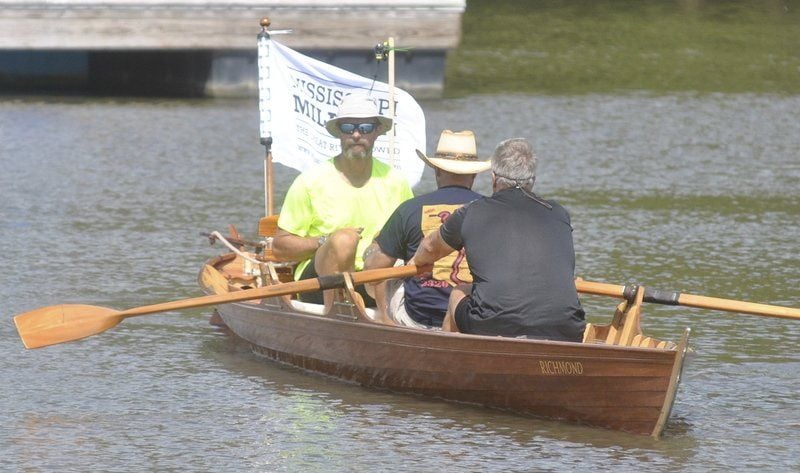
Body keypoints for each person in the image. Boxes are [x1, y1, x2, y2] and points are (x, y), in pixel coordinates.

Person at [410, 137, 586, 341]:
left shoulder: (471, 213)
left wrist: (418, 263)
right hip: (567, 327)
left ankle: (446, 361)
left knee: (458, 292)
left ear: (493, 178)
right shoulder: (558, 213)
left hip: (492, 325)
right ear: (533, 180)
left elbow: (431, 247)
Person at [272, 93, 413, 308]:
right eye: (348, 127)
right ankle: (341, 309)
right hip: (319, 284)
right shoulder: (310, 181)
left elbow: (414, 240)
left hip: (375, 281)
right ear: (339, 132)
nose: (356, 135)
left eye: (365, 128)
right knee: (345, 239)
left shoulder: (396, 182)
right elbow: (280, 247)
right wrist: (324, 241)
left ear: (376, 132)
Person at [363, 130, 490, 327]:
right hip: (475, 316)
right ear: (473, 174)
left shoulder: (410, 209)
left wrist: (371, 249)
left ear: (437, 171)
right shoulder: (494, 211)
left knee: (388, 264)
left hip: (419, 317)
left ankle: (385, 321)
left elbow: (373, 269)